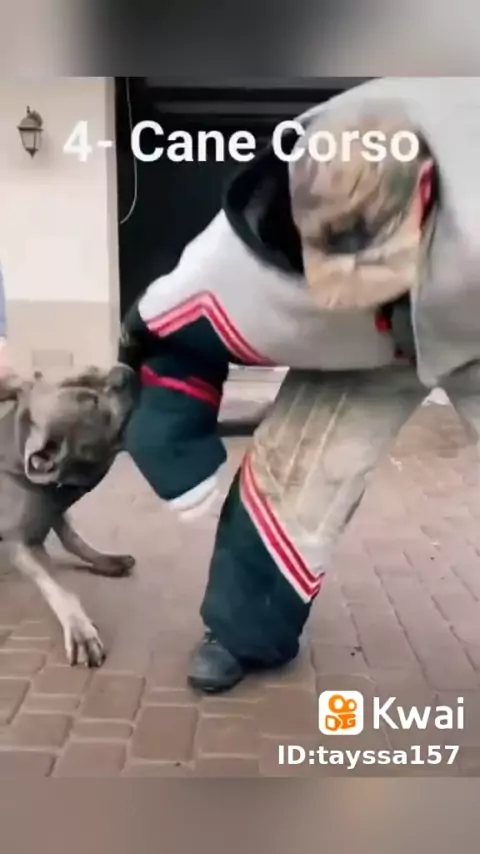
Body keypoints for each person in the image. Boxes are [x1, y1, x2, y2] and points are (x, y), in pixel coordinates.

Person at [118, 77, 480, 693]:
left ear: (423, 189)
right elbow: (168, 331)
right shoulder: (239, 248)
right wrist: (170, 434)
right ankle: (244, 632)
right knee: (295, 474)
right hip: (357, 348)